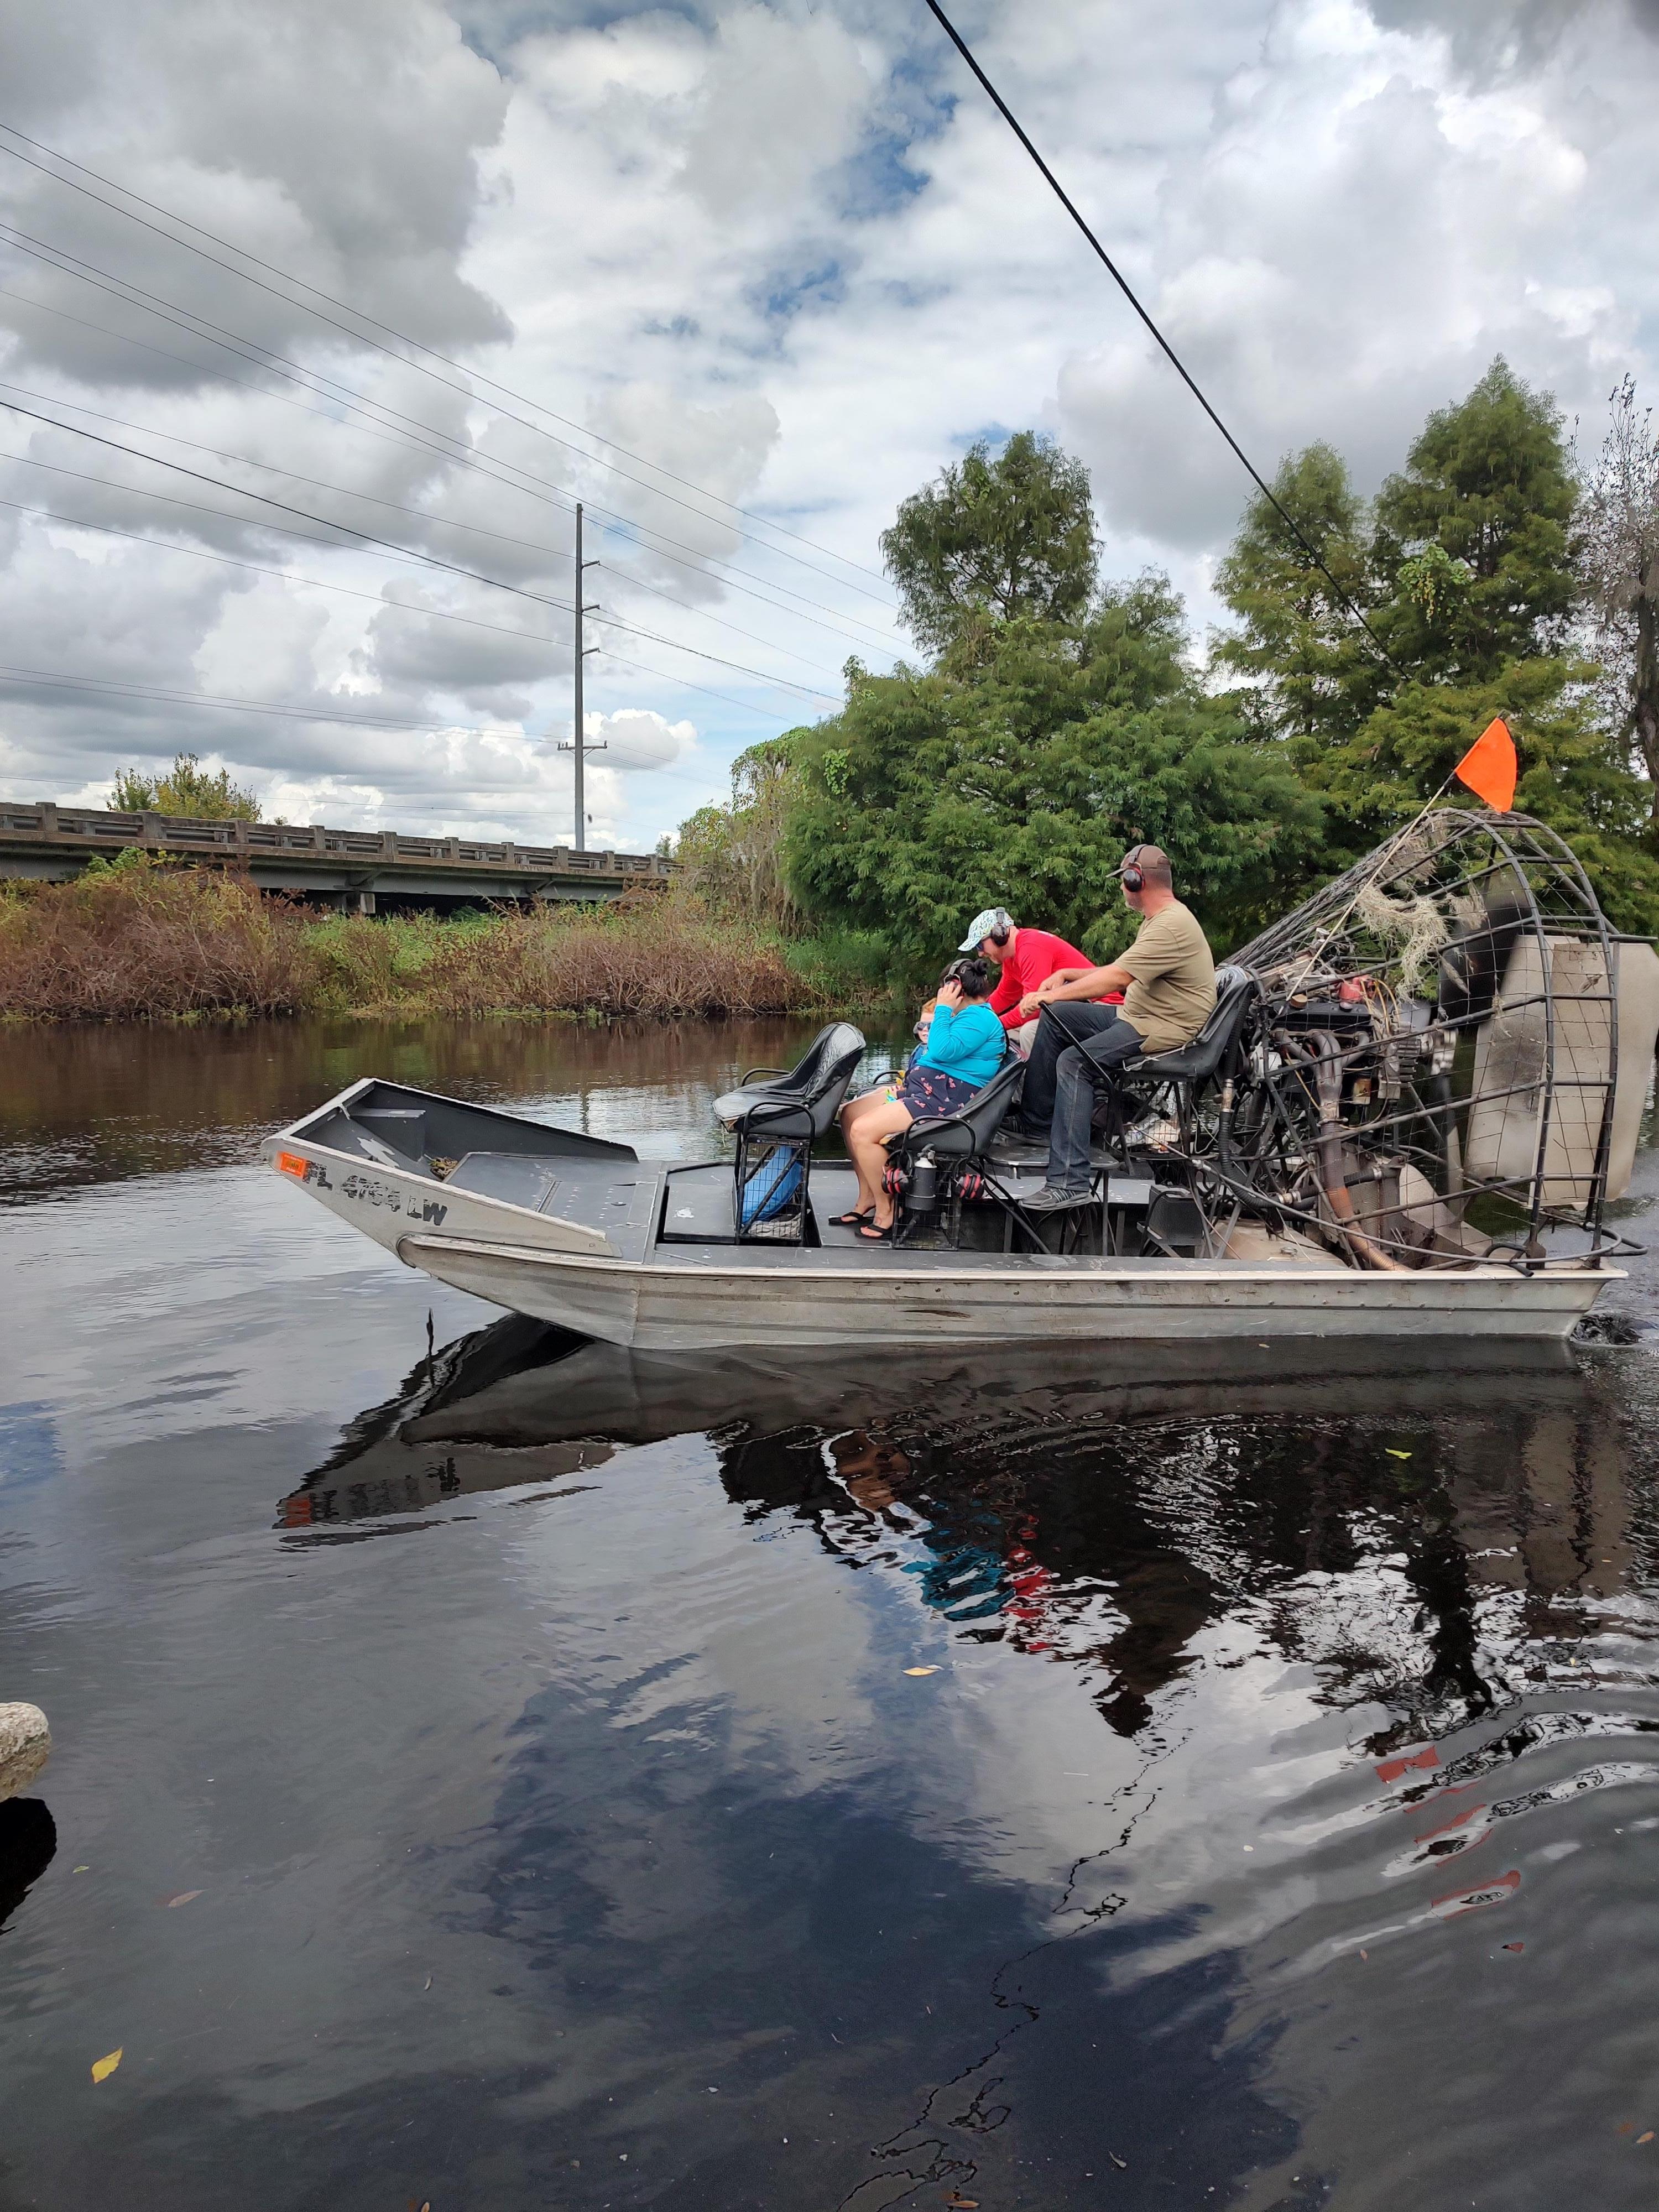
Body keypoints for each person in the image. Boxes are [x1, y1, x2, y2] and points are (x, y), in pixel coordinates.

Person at [1016, 846, 1216, 1213]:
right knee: (1061, 1017)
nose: (1122, 889)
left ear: (1134, 879)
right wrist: (1067, 975)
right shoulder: (1160, 919)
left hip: (1162, 1028)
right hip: (1139, 1016)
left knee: (1075, 1065)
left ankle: (1068, 1183)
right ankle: (1039, 1126)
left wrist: (1048, 995)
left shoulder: (1171, 925)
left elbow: (1118, 977)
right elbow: (1121, 968)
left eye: (1123, 882)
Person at [836, 957, 1006, 1240]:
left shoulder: (980, 1018)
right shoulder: (966, 1016)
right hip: (929, 1091)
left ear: (955, 988)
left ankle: (887, 1211)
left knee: (862, 1131)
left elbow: (939, 1050)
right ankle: (867, 1197)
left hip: (947, 1103)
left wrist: (942, 1009)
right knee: (850, 1114)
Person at [957, 907, 1094, 1053]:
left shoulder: (1030, 948)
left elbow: (1032, 1009)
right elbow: (1004, 996)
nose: (980, 953)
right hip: (1079, 1011)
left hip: (1100, 1007)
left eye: (980, 945)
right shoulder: (1012, 957)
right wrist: (972, 1017)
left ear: (999, 935)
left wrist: (990, 1025)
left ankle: (1043, 1077)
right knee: (1008, 1034)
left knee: (1029, 1032)